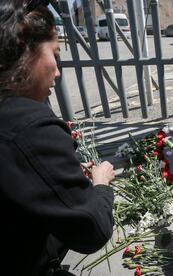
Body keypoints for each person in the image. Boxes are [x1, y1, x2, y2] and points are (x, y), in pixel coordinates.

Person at [0, 1, 116, 275]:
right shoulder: (32, 128)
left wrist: (60, 175)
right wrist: (100, 185)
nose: (58, 70)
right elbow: (92, 231)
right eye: (54, 53)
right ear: (26, 50)